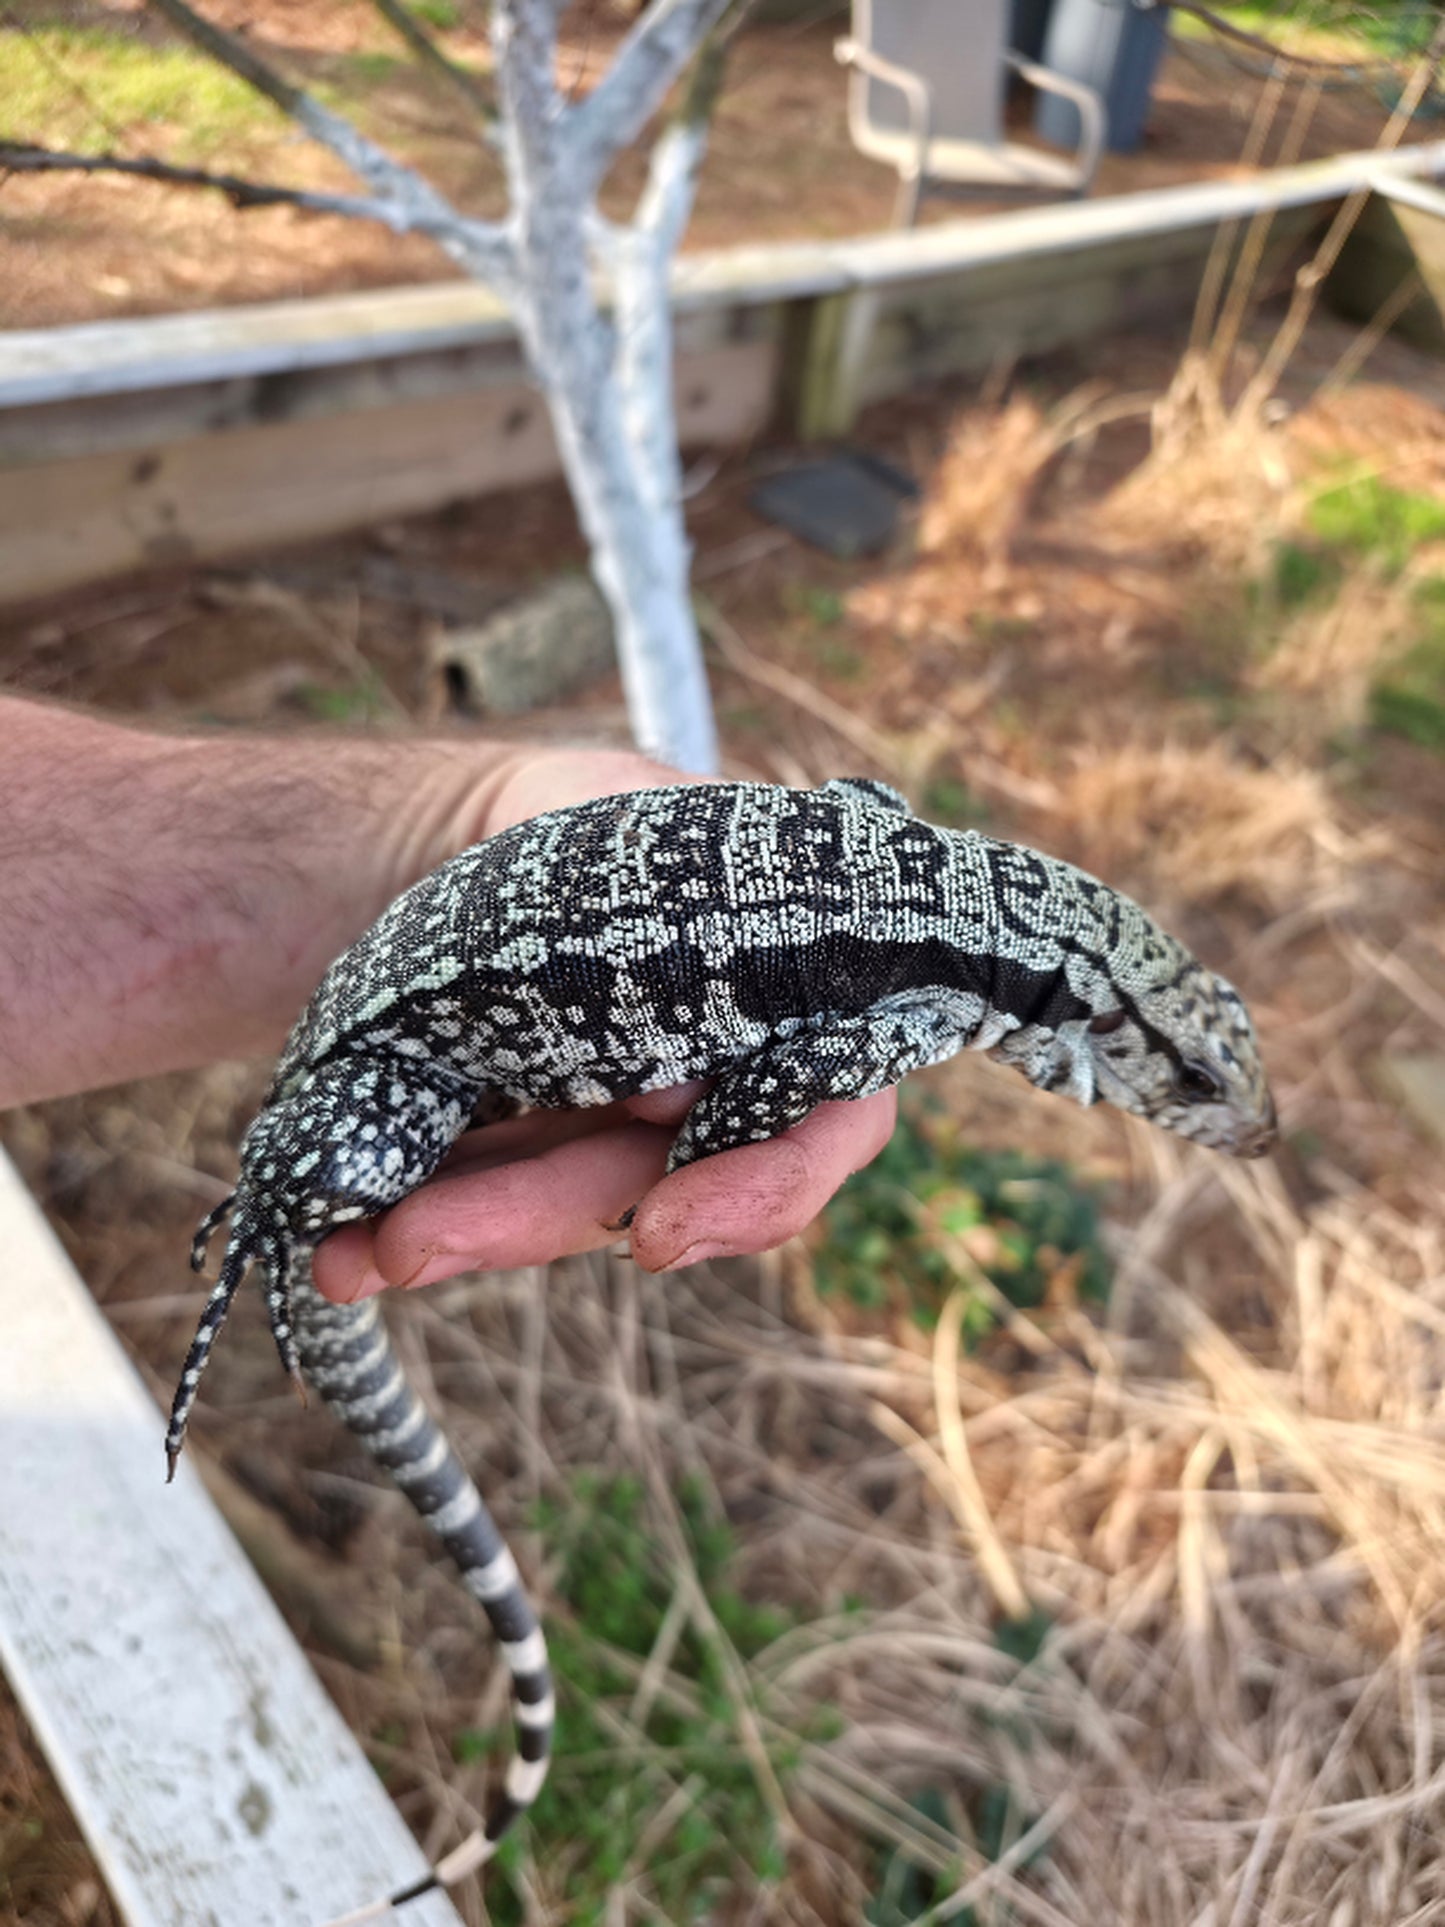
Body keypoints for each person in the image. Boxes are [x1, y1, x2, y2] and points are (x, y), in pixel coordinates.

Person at [0, 693, 896, 1302]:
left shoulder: (884, 845)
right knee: (336, 1185)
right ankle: (275, 1232)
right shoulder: (895, 1012)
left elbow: (861, 802)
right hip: (401, 1052)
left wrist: (459, 814)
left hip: (429, 1033)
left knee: (358, 1207)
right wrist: (698, 1150)